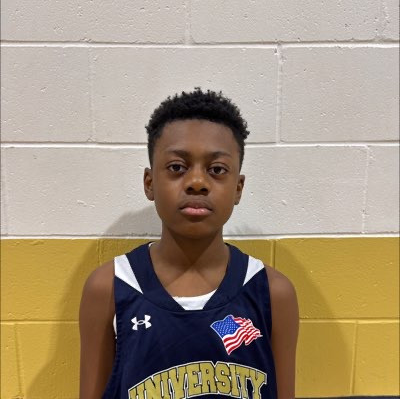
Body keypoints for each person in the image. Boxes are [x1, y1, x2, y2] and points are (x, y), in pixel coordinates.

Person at [79, 88, 299, 399]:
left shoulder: (273, 293)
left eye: (217, 170)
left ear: (238, 188)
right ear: (149, 183)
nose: (197, 182)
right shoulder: (109, 288)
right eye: (177, 167)